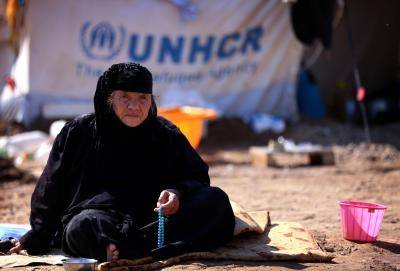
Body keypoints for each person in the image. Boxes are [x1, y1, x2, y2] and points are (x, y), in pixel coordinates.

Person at [7, 62, 235, 261]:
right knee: (80, 228)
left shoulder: (165, 133)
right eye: (125, 97)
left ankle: (125, 248)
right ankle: (133, 246)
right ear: (108, 99)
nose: (134, 107)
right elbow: (50, 186)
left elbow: (196, 176)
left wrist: (177, 192)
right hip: (98, 218)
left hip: (151, 221)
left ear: (151, 100)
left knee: (216, 202)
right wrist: (38, 234)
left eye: (142, 98)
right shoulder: (79, 132)